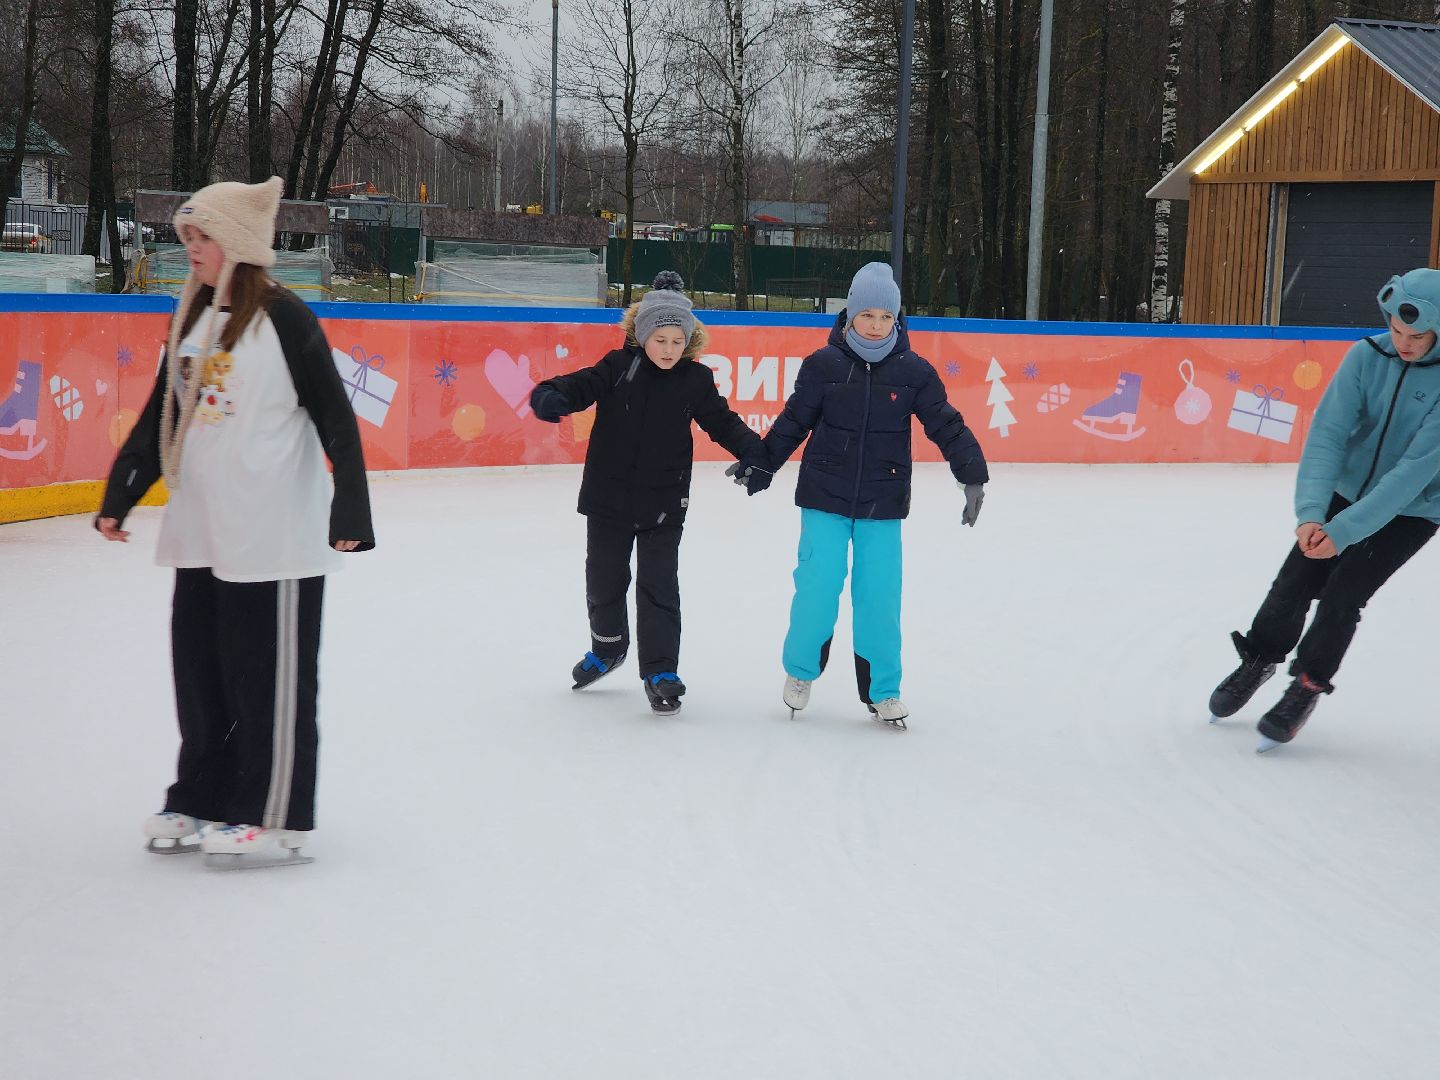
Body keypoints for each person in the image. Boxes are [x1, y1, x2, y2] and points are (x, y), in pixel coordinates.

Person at [96, 177, 374, 861]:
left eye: (202, 236)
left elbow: (336, 417)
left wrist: (352, 507)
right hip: (201, 531)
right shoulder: (191, 318)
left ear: (239, 245)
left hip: (273, 533)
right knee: (200, 674)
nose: (189, 247)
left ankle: (273, 810)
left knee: (268, 679)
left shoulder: (284, 318)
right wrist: (121, 492)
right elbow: (166, 413)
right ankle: (201, 795)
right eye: (186, 235)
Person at [1209, 267, 1440, 750]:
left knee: (1343, 595)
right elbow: (1328, 436)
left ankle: (1307, 685)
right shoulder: (1365, 356)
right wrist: (1313, 515)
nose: (1404, 343)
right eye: (1397, 330)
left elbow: (1413, 472)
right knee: (1294, 582)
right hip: (1346, 489)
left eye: (1417, 336)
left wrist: (1347, 530)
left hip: (1415, 509)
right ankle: (1259, 658)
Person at [758, 262, 988, 728]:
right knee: (816, 591)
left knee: (880, 598)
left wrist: (972, 476)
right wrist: (759, 464)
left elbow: (946, 423)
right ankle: (800, 672)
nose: (877, 325)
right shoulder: (822, 366)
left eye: (886, 316)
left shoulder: (914, 372)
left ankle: (883, 690)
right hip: (825, 496)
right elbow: (792, 422)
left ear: (898, 320)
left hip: (883, 503)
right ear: (849, 315)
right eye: (868, 315)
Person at [529, 271, 769, 715]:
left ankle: (660, 669)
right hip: (608, 497)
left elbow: (722, 421)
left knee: (659, 585)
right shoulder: (617, 367)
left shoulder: (694, 380)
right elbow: (579, 385)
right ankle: (608, 648)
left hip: (664, 500)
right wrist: (551, 395)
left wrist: (756, 454)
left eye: (678, 342)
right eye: (661, 340)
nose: (669, 350)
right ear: (643, 336)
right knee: (604, 578)